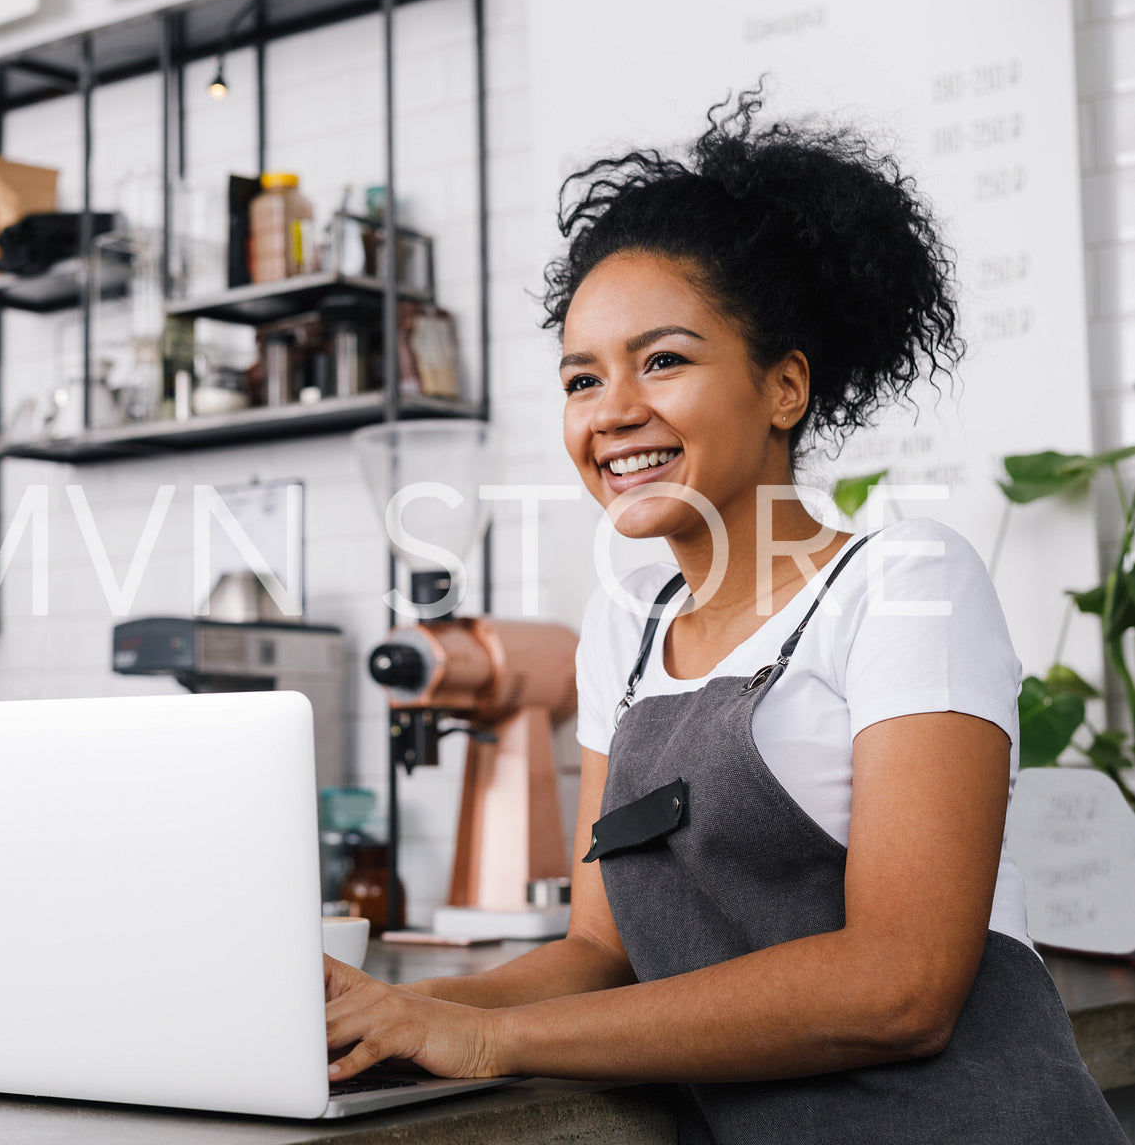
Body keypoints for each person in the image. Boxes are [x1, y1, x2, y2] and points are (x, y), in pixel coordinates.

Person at [322, 91, 1126, 1143]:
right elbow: (595, 954)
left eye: (662, 360)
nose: (610, 411)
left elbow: (900, 982)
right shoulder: (622, 630)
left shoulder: (905, 583)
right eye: (580, 377)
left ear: (783, 385)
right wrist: (389, 1017)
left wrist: (490, 1041)